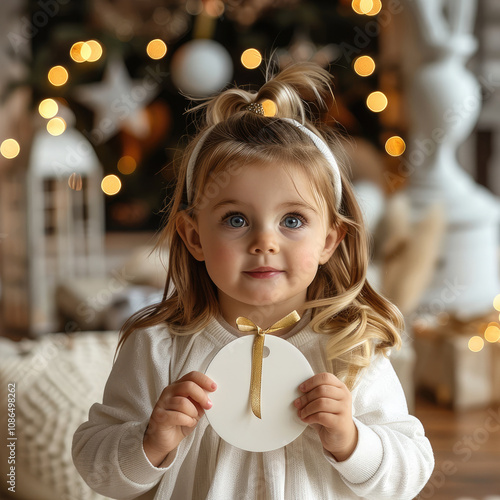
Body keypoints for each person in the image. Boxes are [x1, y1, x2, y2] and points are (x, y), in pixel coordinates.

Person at [72, 62, 434, 499]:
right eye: (236, 219)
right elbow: (96, 465)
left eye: (293, 219)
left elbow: (410, 472)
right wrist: (151, 441)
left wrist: (352, 440)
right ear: (194, 236)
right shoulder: (158, 347)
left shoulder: (350, 350)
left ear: (330, 240)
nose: (265, 241)